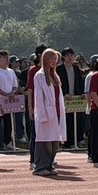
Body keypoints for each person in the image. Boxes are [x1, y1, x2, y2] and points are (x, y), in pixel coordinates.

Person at [33, 49, 66, 177]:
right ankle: (40, 166)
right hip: (46, 113)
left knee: (54, 142)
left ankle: (49, 164)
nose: (54, 61)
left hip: (56, 113)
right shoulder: (40, 76)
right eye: (51, 59)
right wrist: (42, 115)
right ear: (45, 59)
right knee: (44, 141)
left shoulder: (55, 75)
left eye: (55, 59)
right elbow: (38, 97)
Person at [58, 47, 85, 148]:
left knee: (77, 120)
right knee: (68, 121)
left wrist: (82, 93)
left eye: (72, 55)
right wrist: (65, 93)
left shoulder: (76, 68)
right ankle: (68, 142)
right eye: (67, 55)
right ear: (63, 57)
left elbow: (80, 81)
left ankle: (77, 140)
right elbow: (58, 84)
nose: (70, 58)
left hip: (76, 99)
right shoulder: (59, 69)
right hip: (65, 99)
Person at [0, 50, 19, 150]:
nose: (8, 60)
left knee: (9, 123)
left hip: (9, 102)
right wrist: (6, 94)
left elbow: (15, 85)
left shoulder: (11, 71)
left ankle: (8, 142)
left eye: (8, 58)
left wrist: (12, 92)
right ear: (0, 59)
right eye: (5, 58)